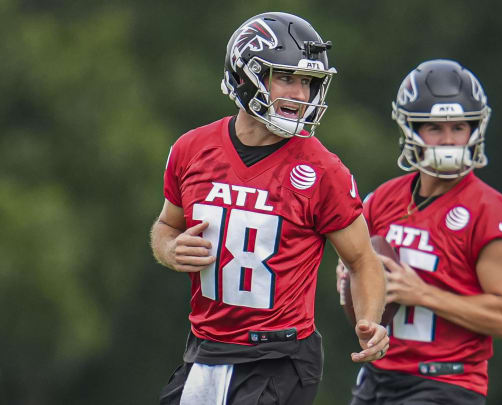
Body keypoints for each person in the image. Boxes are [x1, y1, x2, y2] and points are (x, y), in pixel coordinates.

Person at [150, 12, 389, 405]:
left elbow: (362, 259)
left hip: (280, 357)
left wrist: (370, 321)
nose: (300, 94)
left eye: (308, 83)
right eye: (286, 78)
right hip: (205, 351)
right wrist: (169, 249)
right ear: (246, 75)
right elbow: (165, 226)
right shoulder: (192, 149)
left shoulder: (322, 170)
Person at [337, 59, 502, 404]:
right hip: (377, 378)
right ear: (411, 128)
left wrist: (423, 294)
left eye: (459, 127)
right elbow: (359, 286)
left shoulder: (491, 211)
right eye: (435, 128)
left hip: (445, 383)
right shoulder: (382, 199)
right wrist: (352, 279)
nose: (449, 140)